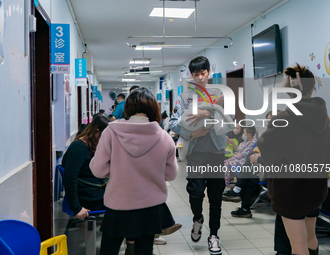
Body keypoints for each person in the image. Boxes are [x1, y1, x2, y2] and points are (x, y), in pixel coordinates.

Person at [90, 88, 179, 255]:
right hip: (151, 205)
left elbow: (98, 170)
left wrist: (117, 169)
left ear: (127, 108)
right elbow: (171, 175)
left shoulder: (111, 131)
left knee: (109, 250)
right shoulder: (164, 137)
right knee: (144, 251)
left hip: (118, 203)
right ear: (154, 109)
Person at [258, 64, 330, 255]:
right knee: (310, 238)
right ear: (313, 88)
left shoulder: (283, 118)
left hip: (290, 190)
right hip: (316, 187)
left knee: (297, 245)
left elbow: (266, 147)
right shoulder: (322, 115)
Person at [169, 56, 227, 255]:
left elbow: (229, 118)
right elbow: (173, 122)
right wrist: (190, 134)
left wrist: (207, 114)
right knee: (195, 193)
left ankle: (214, 236)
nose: (201, 77)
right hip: (196, 153)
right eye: (196, 74)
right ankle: (198, 219)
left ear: (209, 72)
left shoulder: (220, 94)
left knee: (216, 196)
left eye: (204, 73)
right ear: (191, 75)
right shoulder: (184, 97)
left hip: (217, 151)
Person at [62, 115, 111, 220]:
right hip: (86, 196)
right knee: (122, 199)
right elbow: (69, 178)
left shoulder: (89, 146)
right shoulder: (78, 148)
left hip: (91, 191)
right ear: (97, 131)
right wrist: (77, 208)